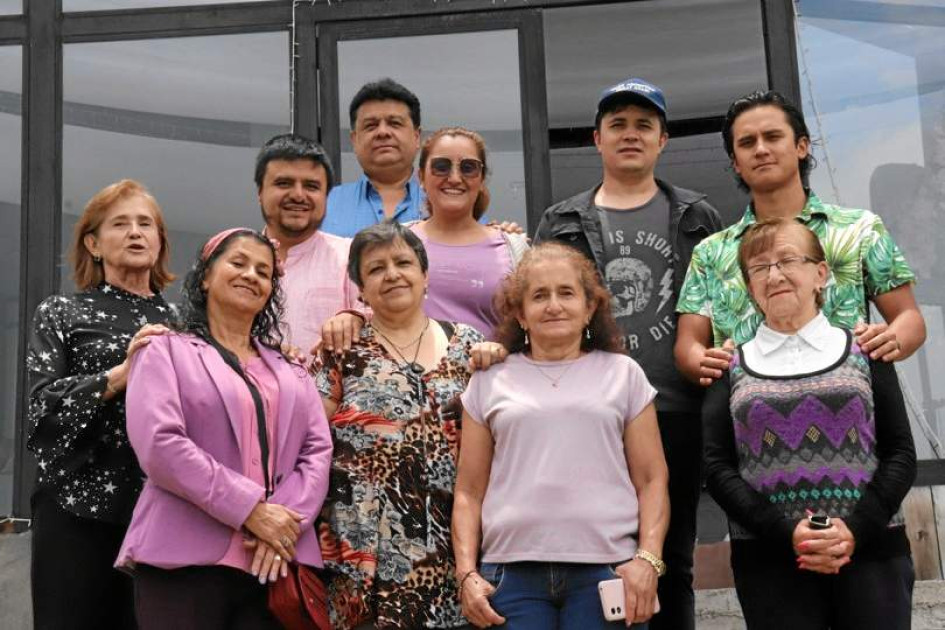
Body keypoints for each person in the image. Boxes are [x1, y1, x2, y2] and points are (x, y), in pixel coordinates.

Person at [535, 77, 721, 630]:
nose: (630, 134)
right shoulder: (561, 221)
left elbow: (722, 306)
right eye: (617, 125)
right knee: (598, 560)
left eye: (644, 125)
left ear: (663, 140)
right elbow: (537, 303)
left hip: (676, 409)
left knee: (672, 560)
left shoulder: (697, 216)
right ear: (598, 139)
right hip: (592, 411)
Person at [702, 218, 916, 629]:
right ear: (750, 287)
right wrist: (786, 533)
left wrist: (854, 530)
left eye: (787, 260)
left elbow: (901, 453)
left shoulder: (867, 350)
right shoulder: (726, 366)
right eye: (760, 268)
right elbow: (717, 467)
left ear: (820, 274)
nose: (774, 276)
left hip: (872, 554)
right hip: (770, 563)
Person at [116, 228, 333, 629]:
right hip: (182, 561)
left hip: (273, 564)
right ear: (205, 277)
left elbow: (317, 450)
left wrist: (284, 525)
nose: (251, 275)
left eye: (263, 271)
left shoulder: (293, 369)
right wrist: (251, 510)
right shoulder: (163, 350)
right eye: (238, 263)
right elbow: (160, 444)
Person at [453, 242, 669, 629]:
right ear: (521, 314)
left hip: (608, 572)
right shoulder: (488, 380)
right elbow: (469, 491)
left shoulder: (624, 374)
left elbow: (652, 479)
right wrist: (467, 573)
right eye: (539, 296)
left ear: (589, 307)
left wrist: (648, 560)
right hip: (510, 577)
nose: (553, 305)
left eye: (566, 293)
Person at [313, 220, 497, 629]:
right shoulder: (342, 350)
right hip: (363, 559)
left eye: (403, 262)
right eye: (376, 268)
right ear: (360, 289)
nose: (392, 274)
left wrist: (503, 355)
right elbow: (307, 442)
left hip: (455, 554)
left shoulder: (470, 346)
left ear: (425, 275)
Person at [676, 90, 926, 387]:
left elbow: (909, 318)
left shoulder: (859, 230)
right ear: (736, 163)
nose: (760, 149)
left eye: (772, 137)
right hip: (751, 409)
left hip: (849, 406)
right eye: (747, 143)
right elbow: (688, 344)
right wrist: (700, 361)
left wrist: (891, 339)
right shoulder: (709, 253)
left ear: (802, 146)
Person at [26, 179, 175, 630]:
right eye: (120, 224)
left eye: (145, 224)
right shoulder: (61, 312)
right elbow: (40, 412)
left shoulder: (185, 323)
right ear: (93, 243)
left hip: (163, 514)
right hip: (75, 512)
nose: (135, 232)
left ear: (159, 241)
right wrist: (120, 375)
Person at [409, 126, 528, 337]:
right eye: (441, 166)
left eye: (468, 167)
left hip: (495, 359)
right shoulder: (398, 241)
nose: (455, 178)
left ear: (481, 180)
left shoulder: (514, 248)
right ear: (421, 177)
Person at [255, 133, 362, 361]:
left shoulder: (353, 257)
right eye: (284, 183)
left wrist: (357, 319)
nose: (298, 195)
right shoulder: (234, 264)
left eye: (311, 186)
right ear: (260, 193)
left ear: (326, 197)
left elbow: (384, 322)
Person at [323, 78, 425, 237]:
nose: (382, 132)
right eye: (371, 125)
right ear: (354, 140)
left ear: (416, 137)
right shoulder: (324, 204)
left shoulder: (445, 203)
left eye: (395, 123)